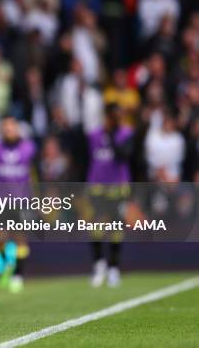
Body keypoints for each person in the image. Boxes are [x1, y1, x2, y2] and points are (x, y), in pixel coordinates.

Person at [0, 115, 36, 293]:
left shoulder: (29, 149)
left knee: (20, 237)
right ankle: (7, 264)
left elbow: (36, 174)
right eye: (5, 127)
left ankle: (18, 275)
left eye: (11, 127)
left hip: (22, 199)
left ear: (17, 128)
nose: (8, 130)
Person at [86, 103, 134, 288]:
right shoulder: (93, 135)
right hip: (97, 186)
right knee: (96, 228)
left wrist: (112, 135)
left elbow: (124, 155)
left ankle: (114, 268)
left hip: (118, 187)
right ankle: (99, 265)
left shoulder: (126, 134)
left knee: (116, 229)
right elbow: (86, 158)